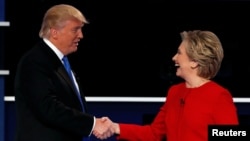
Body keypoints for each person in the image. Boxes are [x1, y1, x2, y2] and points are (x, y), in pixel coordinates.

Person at [95, 30, 239, 141]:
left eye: (179, 53)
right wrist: (115, 127)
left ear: (194, 62)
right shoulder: (175, 92)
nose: (174, 58)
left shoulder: (218, 96)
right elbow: (154, 133)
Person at [14, 4, 113, 141]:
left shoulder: (60, 61)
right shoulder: (34, 61)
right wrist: (92, 124)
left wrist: (92, 124)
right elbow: (48, 107)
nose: (81, 35)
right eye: (75, 30)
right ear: (54, 32)